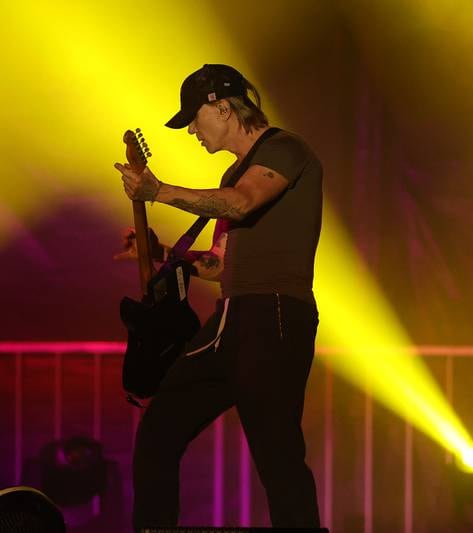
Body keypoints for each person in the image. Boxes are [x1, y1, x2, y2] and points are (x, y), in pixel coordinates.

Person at [114, 63, 323, 530]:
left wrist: (158, 191)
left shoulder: (285, 150)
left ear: (222, 107)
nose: (191, 129)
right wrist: (163, 253)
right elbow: (220, 263)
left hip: (273, 318)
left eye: (193, 117)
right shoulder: (235, 171)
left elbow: (243, 202)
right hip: (230, 323)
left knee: (278, 455)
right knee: (158, 430)